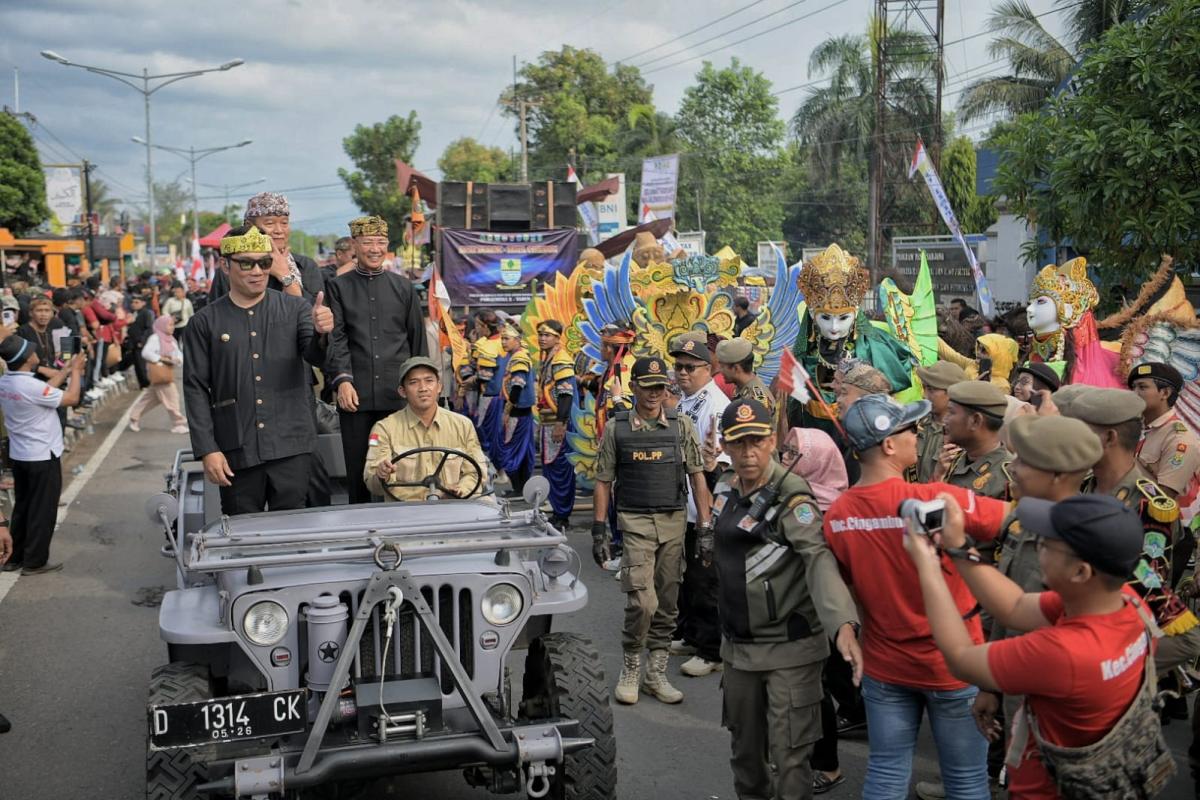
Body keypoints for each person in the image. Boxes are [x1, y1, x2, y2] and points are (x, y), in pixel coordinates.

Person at [905, 492, 1163, 799]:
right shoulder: (1129, 604)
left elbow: (961, 659)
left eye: (1046, 544)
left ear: (1080, 572)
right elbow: (1014, 606)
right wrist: (957, 545)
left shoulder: (1065, 653)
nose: (1037, 547)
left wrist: (928, 567)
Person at [823, 393, 1009, 800]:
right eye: (910, 429)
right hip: (955, 666)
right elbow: (1013, 521)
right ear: (889, 445)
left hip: (885, 667)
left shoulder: (838, 515)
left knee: (886, 774)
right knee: (966, 781)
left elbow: (845, 587)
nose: (918, 434)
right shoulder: (937, 498)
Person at [708, 399, 862, 800]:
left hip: (790, 648)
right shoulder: (725, 485)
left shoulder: (793, 496)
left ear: (772, 441)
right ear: (726, 444)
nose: (748, 453)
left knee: (790, 756)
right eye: (738, 443)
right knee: (745, 753)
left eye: (757, 441)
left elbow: (818, 559)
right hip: (739, 649)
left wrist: (843, 623)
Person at [183, 225, 334, 515]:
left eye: (264, 263)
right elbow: (195, 389)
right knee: (242, 532)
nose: (257, 271)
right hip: (237, 447)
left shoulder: (296, 309)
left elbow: (317, 356)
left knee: (291, 532)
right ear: (225, 266)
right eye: (246, 263)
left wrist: (322, 333)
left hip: (291, 443)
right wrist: (207, 449)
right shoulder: (204, 322)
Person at [592, 356, 713, 705]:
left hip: (673, 523)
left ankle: (655, 673)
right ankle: (631, 665)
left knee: (668, 603)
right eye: (647, 387)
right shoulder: (618, 429)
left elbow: (697, 476)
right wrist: (599, 530)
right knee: (642, 602)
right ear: (633, 388)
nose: (654, 394)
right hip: (635, 523)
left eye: (660, 387)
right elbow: (602, 481)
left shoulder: (681, 426)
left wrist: (705, 527)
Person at [1065, 388, 1200, 668]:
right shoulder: (1079, 485)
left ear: (1110, 437)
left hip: (1108, 636)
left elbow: (1148, 584)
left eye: (1079, 432)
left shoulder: (1149, 504)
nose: (1071, 441)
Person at [326, 215, 427, 504]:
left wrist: (422, 391)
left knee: (404, 468)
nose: (374, 248)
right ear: (354, 245)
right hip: (354, 395)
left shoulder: (404, 287)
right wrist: (342, 380)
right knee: (359, 471)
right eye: (367, 242)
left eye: (381, 242)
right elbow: (337, 338)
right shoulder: (339, 287)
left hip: (397, 396)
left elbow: (416, 342)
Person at [782, 425, 860, 793]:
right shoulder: (792, 497)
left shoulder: (833, 508)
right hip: (792, 610)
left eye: (794, 454)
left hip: (825, 614)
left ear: (815, 461)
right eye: (785, 451)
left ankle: (827, 766)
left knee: (818, 688)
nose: (785, 459)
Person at [668, 333, 730, 678]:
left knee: (707, 581)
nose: (683, 373)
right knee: (689, 579)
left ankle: (711, 649)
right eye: (678, 366)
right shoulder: (686, 401)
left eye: (691, 367)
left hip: (705, 506)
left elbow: (716, 465)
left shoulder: (715, 405)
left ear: (709, 369)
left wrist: (708, 515)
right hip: (687, 506)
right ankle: (691, 634)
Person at [0, 336, 84, 575]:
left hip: (20, 455)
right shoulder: (31, 387)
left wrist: (66, 370)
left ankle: (14, 557)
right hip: (43, 455)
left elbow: (47, 390)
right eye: (33, 352)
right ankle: (35, 561)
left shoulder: (6, 382)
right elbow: (71, 398)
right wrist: (76, 372)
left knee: (23, 507)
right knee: (43, 509)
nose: (37, 354)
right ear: (28, 359)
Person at [363, 356, 488, 502]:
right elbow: (372, 483)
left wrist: (460, 491)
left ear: (439, 387)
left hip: (453, 507)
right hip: (405, 513)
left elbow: (477, 473)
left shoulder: (463, 425)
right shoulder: (383, 429)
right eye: (414, 382)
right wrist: (380, 474)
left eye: (429, 381)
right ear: (402, 391)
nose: (423, 388)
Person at [209, 191, 325, 302]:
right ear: (250, 225)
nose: (279, 231)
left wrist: (285, 275)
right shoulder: (232, 268)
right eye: (270, 223)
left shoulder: (306, 266)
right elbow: (218, 316)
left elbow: (316, 314)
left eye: (284, 223)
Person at [1128, 362, 1200, 501]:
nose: (1134, 393)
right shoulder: (1140, 429)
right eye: (1133, 388)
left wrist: (1124, 461)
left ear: (1165, 393)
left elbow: (1164, 499)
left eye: (1142, 387)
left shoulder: (1179, 439)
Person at [934, 381, 1012, 500]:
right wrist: (937, 477)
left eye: (951, 412)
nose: (945, 419)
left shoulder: (1008, 477)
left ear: (975, 421)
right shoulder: (951, 460)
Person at [534, 320, 577, 528]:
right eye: (540, 334)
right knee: (551, 468)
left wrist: (561, 423)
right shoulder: (548, 359)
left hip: (557, 423)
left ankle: (562, 514)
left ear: (558, 337)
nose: (542, 338)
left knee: (561, 469)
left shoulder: (561, 360)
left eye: (547, 335)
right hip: (547, 422)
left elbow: (566, 395)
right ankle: (557, 511)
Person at [909, 361, 968, 483]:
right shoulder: (916, 423)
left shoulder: (963, 436)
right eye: (924, 388)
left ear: (951, 394)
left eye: (931, 390)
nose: (924, 395)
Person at [129, 315, 188, 434]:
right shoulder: (155, 338)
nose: (172, 327)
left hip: (165, 372)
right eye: (170, 325)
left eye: (172, 325)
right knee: (172, 398)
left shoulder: (170, 338)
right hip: (160, 373)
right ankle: (178, 423)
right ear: (162, 325)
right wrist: (161, 359)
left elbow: (178, 354)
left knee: (150, 399)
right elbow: (146, 353)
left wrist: (177, 360)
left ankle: (134, 418)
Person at [497, 323, 536, 496]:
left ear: (517, 340)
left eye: (507, 339)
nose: (503, 342)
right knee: (520, 450)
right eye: (502, 339)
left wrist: (507, 409)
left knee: (511, 450)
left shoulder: (519, 358)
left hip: (517, 413)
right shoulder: (518, 355)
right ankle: (519, 488)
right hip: (522, 413)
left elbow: (518, 386)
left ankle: (518, 488)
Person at [715, 337, 774, 413]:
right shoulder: (743, 388)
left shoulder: (756, 401)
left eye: (722, 366)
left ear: (736, 368)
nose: (720, 370)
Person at [121, 293, 155, 389]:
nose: (134, 304)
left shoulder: (146, 313)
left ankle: (146, 383)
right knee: (136, 363)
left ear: (143, 303)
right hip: (132, 342)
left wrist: (142, 341)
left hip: (140, 342)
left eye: (137, 302)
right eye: (133, 302)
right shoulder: (132, 313)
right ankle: (143, 383)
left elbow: (148, 328)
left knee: (141, 363)